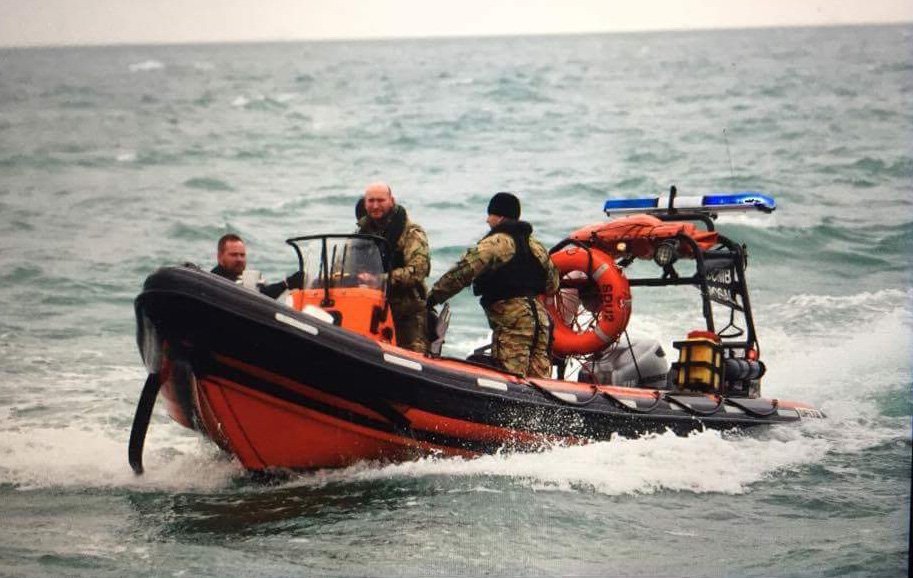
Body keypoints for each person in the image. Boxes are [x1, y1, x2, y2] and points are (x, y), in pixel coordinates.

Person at [426, 192, 559, 378]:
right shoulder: (537, 247)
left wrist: (431, 298)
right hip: (540, 323)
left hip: (513, 323)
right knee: (539, 383)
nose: (487, 221)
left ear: (500, 216)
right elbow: (553, 284)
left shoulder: (495, 244)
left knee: (511, 379)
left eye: (490, 215)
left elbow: (461, 273)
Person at [356, 182, 430, 353]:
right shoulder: (361, 233)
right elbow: (345, 264)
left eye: (380, 200)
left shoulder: (411, 233)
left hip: (406, 310)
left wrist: (379, 279)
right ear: (365, 203)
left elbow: (418, 271)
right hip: (369, 307)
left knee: (413, 355)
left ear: (391, 200)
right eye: (371, 201)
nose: (375, 206)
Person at [211, 233, 298, 298]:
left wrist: (288, 284)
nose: (239, 259)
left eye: (242, 255)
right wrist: (285, 284)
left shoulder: (247, 279)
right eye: (234, 255)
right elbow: (257, 296)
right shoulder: (214, 281)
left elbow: (263, 294)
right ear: (220, 257)